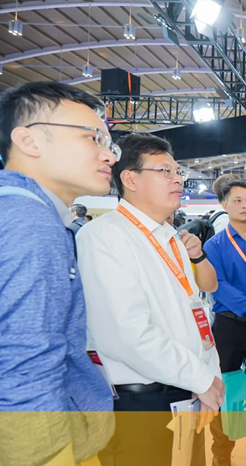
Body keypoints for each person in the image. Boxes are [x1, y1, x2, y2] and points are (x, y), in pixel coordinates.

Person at [77, 132, 224, 465]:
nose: (178, 179)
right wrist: (200, 378)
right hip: (142, 403)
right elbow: (126, 334)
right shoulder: (104, 236)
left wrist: (208, 379)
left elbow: (193, 313)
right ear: (130, 179)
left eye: (178, 172)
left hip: (188, 394)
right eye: (164, 171)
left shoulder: (170, 236)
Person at [0, 81, 117, 465]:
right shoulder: (27, 220)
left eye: (107, 143)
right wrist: (47, 454)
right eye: (93, 138)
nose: (108, 155)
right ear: (29, 141)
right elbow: (22, 361)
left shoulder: (30, 213)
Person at [203, 176, 246, 464]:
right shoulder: (215, 245)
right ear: (224, 205)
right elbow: (217, 286)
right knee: (225, 387)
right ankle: (222, 451)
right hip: (230, 325)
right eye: (237, 200)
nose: (245, 205)